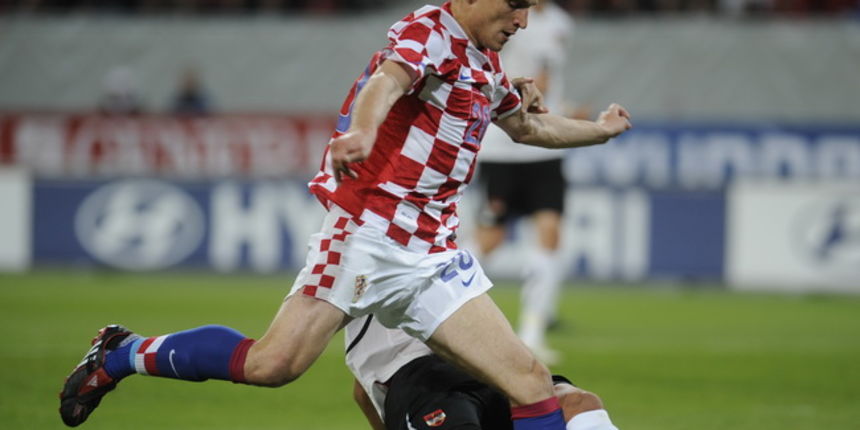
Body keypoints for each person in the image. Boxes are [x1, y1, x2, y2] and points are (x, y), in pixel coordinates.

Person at [59, 1, 631, 429]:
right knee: (273, 364)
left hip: (432, 254)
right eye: (516, 5)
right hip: (366, 236)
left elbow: (528, 126)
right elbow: (387, 81)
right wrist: (362, 129)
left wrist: (599, 132)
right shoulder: (430, 31)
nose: (524, 21)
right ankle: (122, 352)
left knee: (532, 384)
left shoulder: (484, 64)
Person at [474, 0, 576, 364]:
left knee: (550, 233)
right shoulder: (497, 13)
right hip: (502, 147)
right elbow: (535, 78)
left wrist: (563, 109)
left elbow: (551, 80)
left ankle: (532, 332)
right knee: (490, 238)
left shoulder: (560, 22)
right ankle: (444, 313)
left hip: (545, 148)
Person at [345, 314, 620, 430]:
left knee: (581, 404)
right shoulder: (352, 245)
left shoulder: (442, 234)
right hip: (421, 379)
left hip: (486, 363)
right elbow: (362, 391)